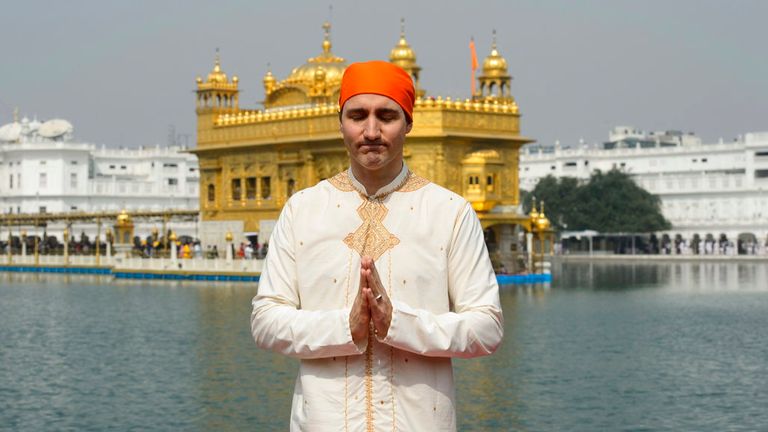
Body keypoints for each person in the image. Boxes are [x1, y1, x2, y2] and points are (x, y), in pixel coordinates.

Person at [250, 60, 503, 431]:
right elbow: (265, 321)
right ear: (340, 124)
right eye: (357, 115)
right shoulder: (304, 210)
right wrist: (344, 327)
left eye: (386, 116)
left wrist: (399, 324)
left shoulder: (448, 212)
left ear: (409, 124)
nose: (371, 131)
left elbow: (488, 327)